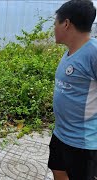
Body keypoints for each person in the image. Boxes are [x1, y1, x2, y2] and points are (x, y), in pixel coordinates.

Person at [48, 0, 97, 179]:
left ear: (66, 24)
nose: (54, 28)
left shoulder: (94, 53)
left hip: (82, 143)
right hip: (60, 134)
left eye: (55, 23)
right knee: (58, 171)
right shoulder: (69, 52)